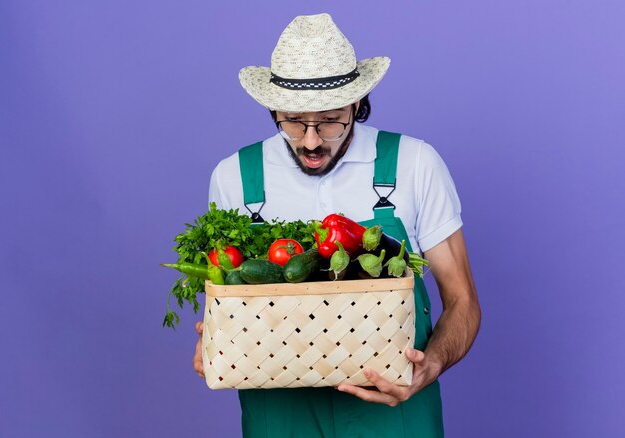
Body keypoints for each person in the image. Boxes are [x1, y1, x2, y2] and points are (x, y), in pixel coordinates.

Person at [193, 13, 480, 437]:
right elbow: (226, 303)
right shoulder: (235, 176)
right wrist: (213, 337)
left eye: (329, 120)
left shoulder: (414, 164)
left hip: (391, 407)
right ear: (273, 108)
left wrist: (430, 365)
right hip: (279, 413)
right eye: (292, 120)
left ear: (357, 105)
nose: (311, 140)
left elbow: (463, 302)